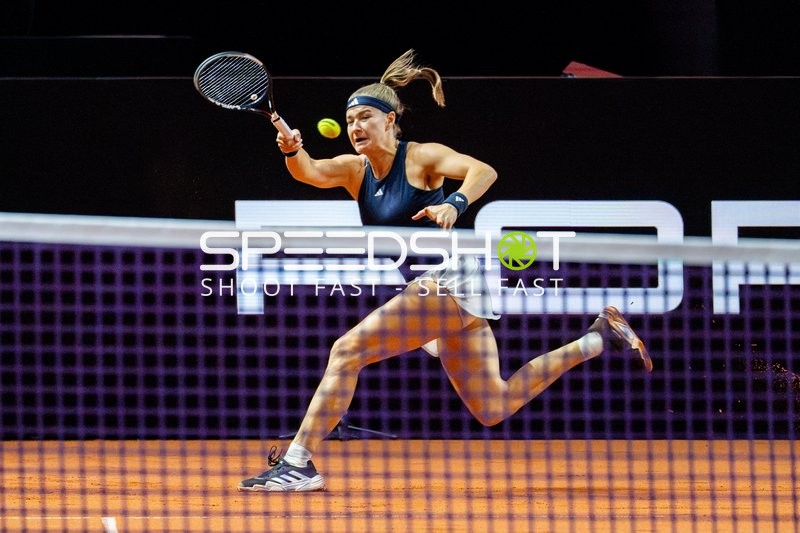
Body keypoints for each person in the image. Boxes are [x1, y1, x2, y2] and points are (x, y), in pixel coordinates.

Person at [238, 49, 652, 492]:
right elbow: (312, 173)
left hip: (451, 279)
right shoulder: (355, 171)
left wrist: (455, 202)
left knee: (346, 350)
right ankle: (596, 339)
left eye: (364, 118)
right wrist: (292, 149)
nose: (355, 127)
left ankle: (299, 462)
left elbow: (482, 170)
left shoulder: (420, 157)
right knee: (493, 404)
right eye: (350, 120)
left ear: (390, 121)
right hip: (442, 289)